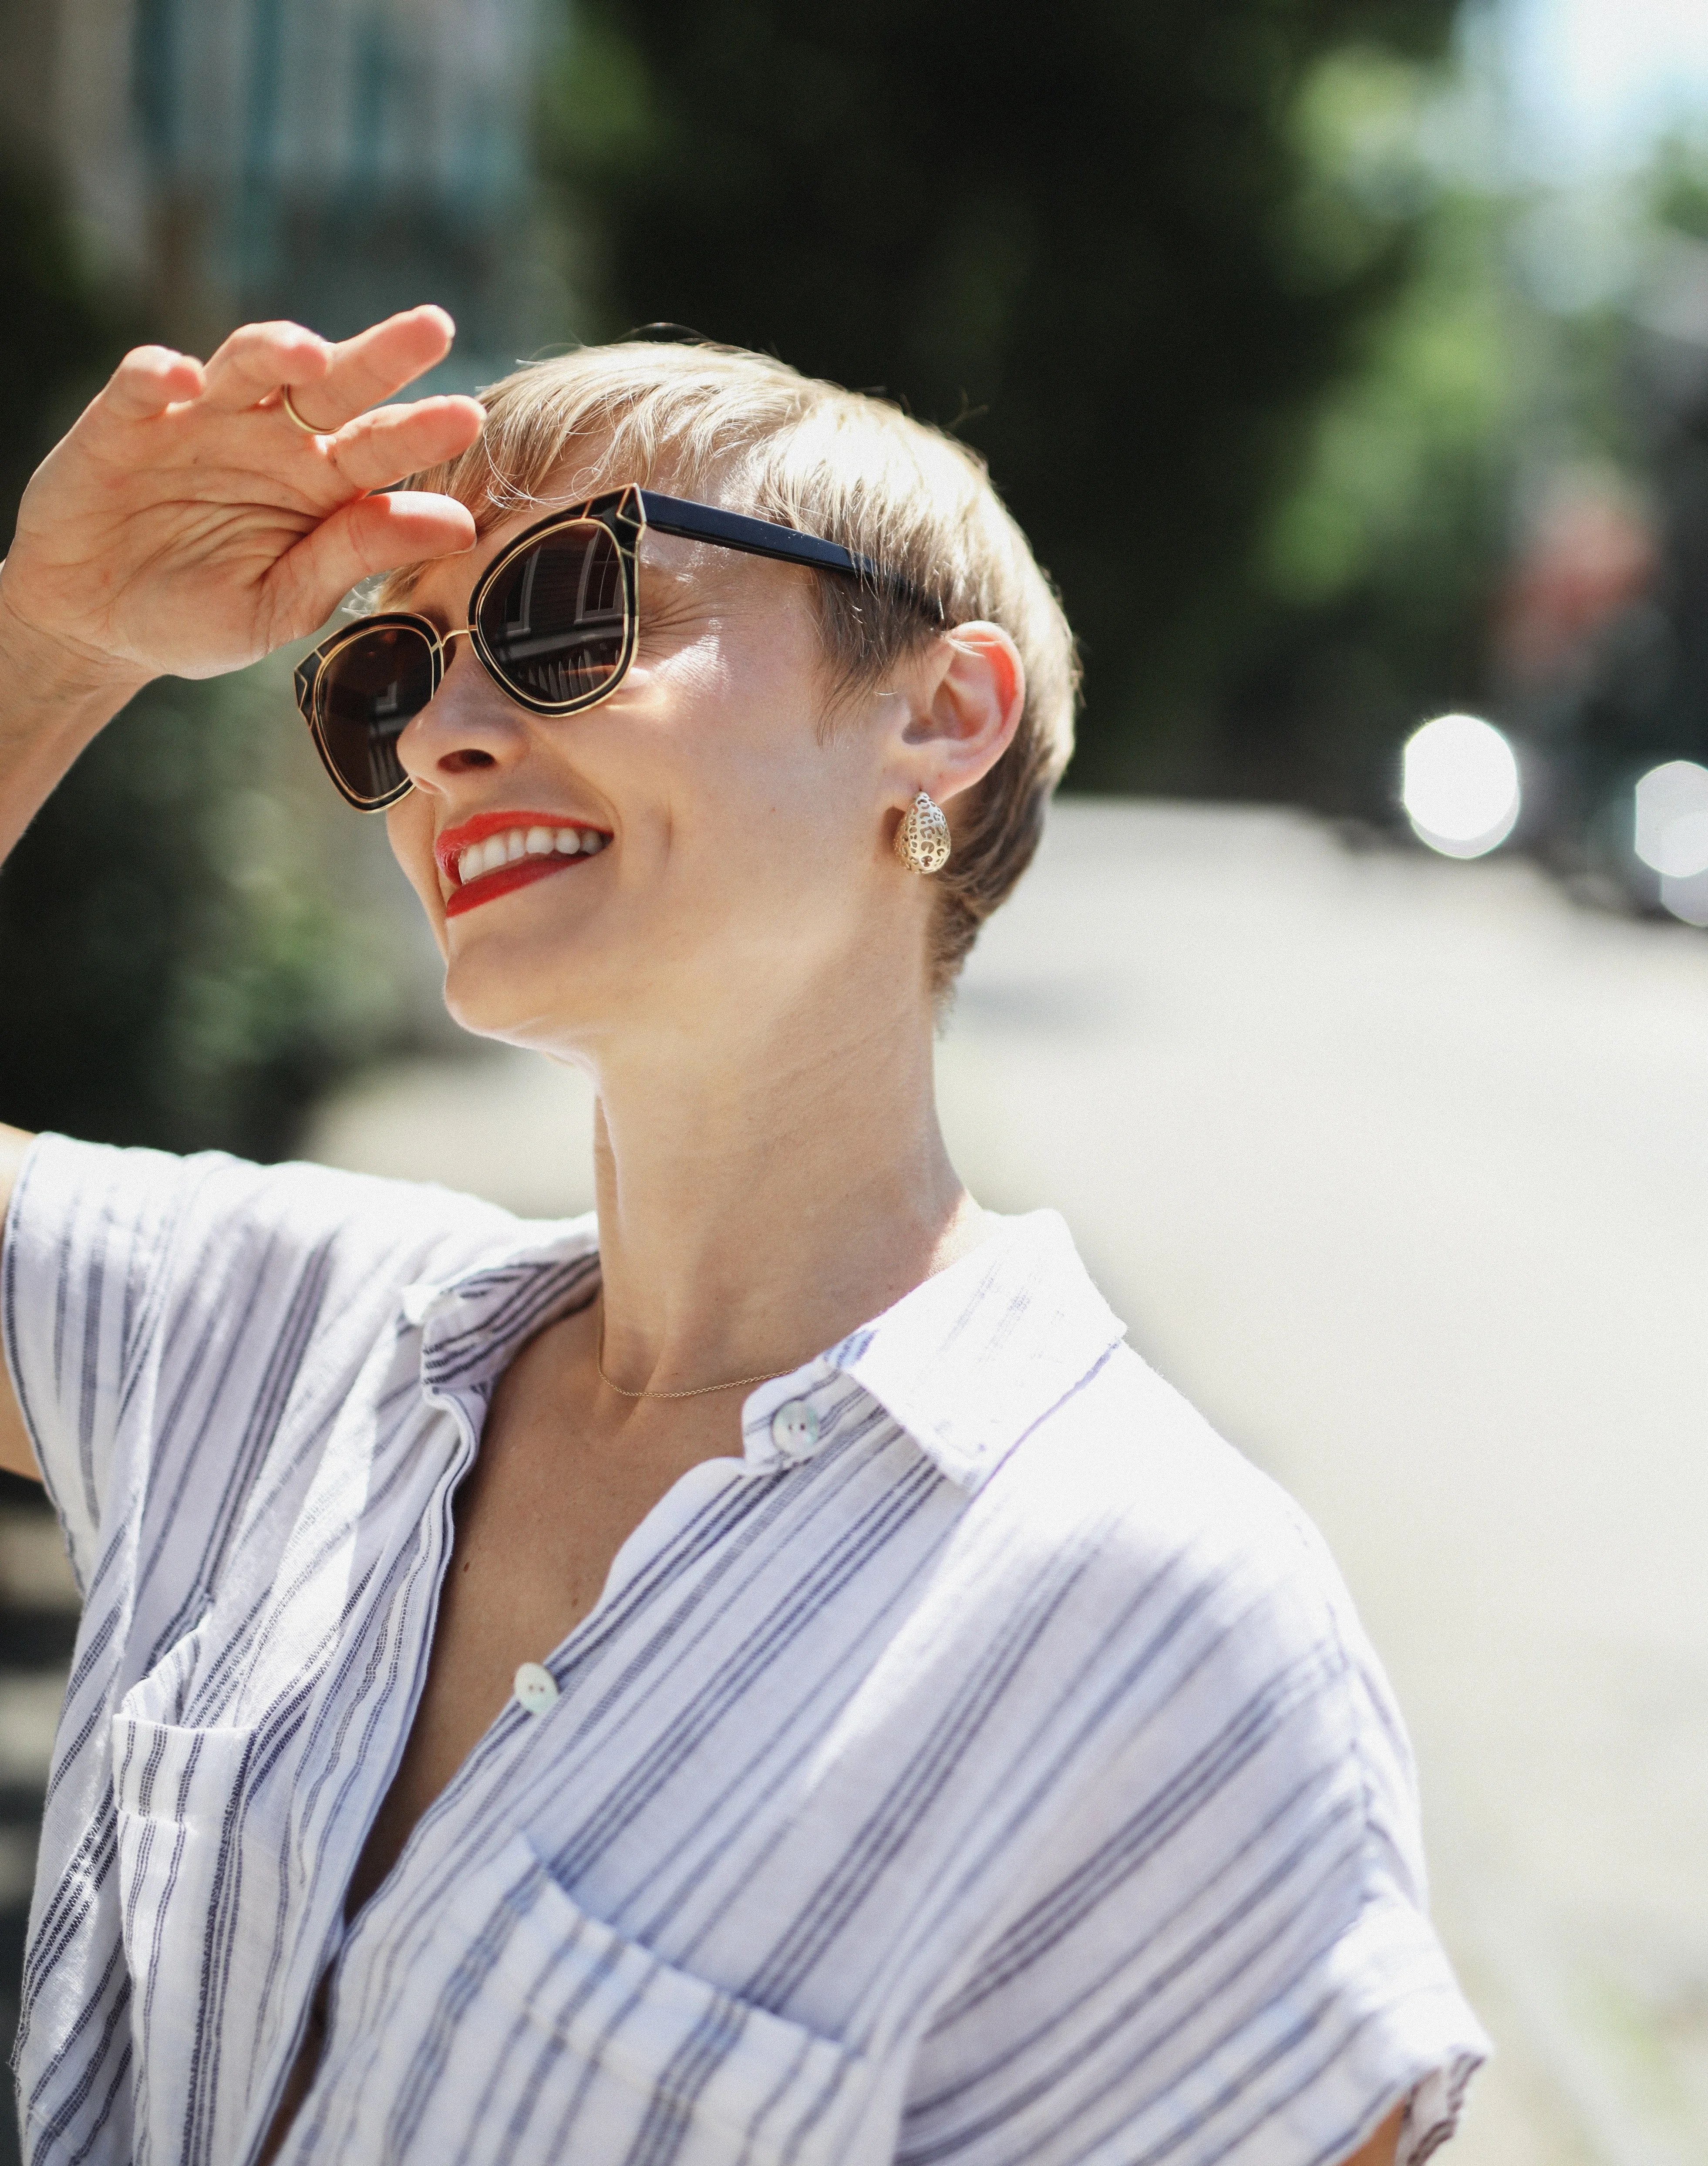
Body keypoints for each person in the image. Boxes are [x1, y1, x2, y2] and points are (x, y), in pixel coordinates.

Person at [0, 305, 1487, 2166]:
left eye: (561, 611)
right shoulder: (279, 1333)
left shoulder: (1162, 1630)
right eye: (386, 681)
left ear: (934, 718)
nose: (445, 737)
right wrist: (47, 646)